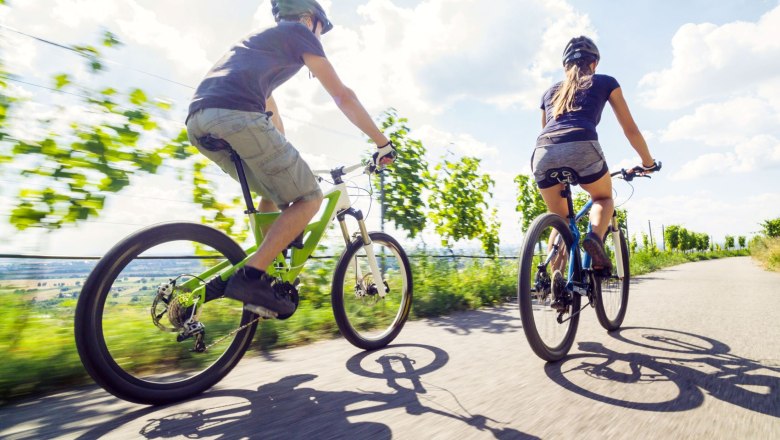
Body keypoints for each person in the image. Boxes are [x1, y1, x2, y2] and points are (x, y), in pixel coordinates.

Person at [186, 0, 395, 317]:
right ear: (311, 20)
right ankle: (253, 277)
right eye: (321, 31)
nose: (319, 39)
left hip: (199, 121)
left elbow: (272, 118)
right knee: (309, 197)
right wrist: (382, 142)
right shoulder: (299, 32)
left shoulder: (259, 47)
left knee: (274, 190)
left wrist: (285, 158)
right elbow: (342, 95)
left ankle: (262, 265)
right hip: (235, 116)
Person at [533, 36, 659, 274]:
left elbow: (546, 131)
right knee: (603, 198)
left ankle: (555, 282)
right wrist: (648, 162)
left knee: (559, 219)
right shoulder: (605, 82)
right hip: (582, 144)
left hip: (543, 152)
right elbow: (630, 129)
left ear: (565, 66)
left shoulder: (549, 93)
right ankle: (594, 238)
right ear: (594, 64)